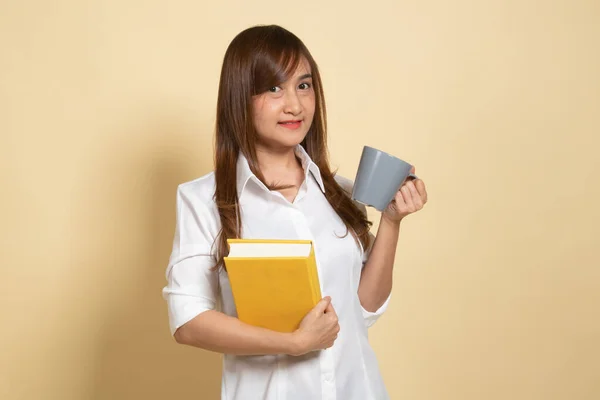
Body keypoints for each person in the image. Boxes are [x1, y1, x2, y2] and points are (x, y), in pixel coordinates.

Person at [162, 24, 428, 400]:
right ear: (240, 97)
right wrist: (293, 343)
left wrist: (391, 222)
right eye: (274, 88)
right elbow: (188, 321)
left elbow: (362, 309)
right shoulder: (203, 199)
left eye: (303, 86)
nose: (295, 105)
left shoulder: (340, 193)